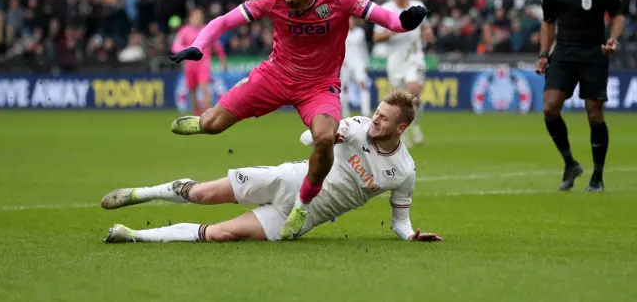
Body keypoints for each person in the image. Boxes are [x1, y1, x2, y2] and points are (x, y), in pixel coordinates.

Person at [168, 0, 430, 240]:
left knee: (325, 137)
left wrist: (404, 22)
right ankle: (202, 123)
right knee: (213, 124)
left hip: (319, 87)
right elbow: (224, 21)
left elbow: (384, 18)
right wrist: (198, 45)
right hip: (275, 76)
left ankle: (302, 206)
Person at [101, 91, 443, 244]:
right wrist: (326, 138)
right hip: (286, 180)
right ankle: (139, 194)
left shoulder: (404, 171)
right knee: (203, 194)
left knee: (222, 234)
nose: (376, 119)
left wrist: (412, 235)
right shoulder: (355, 126)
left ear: (401, 129)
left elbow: (400, 222)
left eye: (384, 118)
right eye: (378, 112)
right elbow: (305, 139)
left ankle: (132, 236)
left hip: (301, 215)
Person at [536, 0, 624, 192]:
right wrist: (544, 53)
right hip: (563, 53)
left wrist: (613, 39)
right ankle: (570, 163)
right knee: (549, 109)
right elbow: (548, 21)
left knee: (594, 115)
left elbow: (618, 15)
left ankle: (597, 175)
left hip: (593, 54)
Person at [374, 0, 427, 147]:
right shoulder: (385, 9)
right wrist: (392, 31)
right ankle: (401, 132)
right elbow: (376, 37)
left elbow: (425, 27)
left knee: (414, 91)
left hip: (414, 55)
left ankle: (416, 126)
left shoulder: (417, 6)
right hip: (395, 58)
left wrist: (428, 33)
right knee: (398, 99)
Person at [171, 9, 228, 115]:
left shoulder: (207, 29)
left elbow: (218, 47)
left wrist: (223, 61)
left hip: (203, 65)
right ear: (190, 18)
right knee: (192, 90)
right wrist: (188, 49)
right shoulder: (183, 31)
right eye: (195, 16)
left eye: (200, 16)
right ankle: (197, 114)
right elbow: (175, 46)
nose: (198, 19)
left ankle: (208, 113)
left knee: (204, 87)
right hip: (189, 66)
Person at [340, 17, 371, 118]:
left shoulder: (360, 32)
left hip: (359, 63)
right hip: (346, 64)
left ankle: (366, 112)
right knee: (344, 88)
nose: (350, 23)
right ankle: (345, 112)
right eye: (348, 21)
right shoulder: (342, 32)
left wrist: (366, 63)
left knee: (363, 86)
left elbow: (364, 48)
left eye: (351, 21)